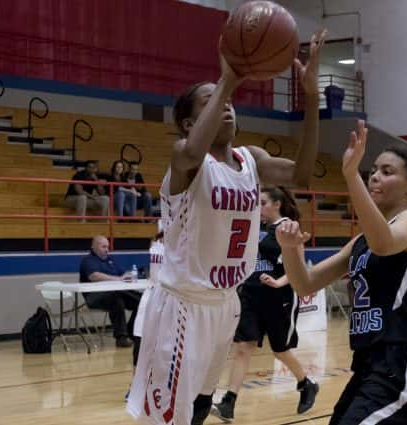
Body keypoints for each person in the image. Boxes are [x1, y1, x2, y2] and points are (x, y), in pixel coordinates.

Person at [126, 29, 326, 425]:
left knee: (202, 405)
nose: (228, 105)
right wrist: (229, 77)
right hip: (183, 304)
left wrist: (311, 98)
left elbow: (303, 174)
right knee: (167, 418)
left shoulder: (250, 158)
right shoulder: (186, 158)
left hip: (226, 302)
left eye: (230, 99)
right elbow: (193, 150)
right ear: (189, 122)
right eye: (213, 101)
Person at [277, 120, 407, 424]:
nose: (375, 176)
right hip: (366, 364)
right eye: (373, 170)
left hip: (401, 361)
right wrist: (288, 248)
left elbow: (385, 243)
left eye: (387, 172)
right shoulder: (359, 242)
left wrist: (351, 176)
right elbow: (305, 283)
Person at [211, 187, 318, 422]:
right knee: (242, 347)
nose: (258, 206)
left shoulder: (289, 227)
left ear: (276, 204)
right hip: (250, 293)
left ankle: (306, 384)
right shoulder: (255, 228)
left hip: (279, 296)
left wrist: (279, 282)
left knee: (280, 350)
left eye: (262, 202)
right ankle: (228, 402)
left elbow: (298, 266)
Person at [79, 235, 142, 348]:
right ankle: (121, 337)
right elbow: (94, 276)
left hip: (116, 293)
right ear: (94, 247)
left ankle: (131, 332)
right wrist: (118, 279)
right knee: (116, 298)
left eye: (107, 247)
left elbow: (123, 274)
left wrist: (128, 276)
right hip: (94, 297)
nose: (107, 249)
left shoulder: (110, 260)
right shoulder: (88, 260)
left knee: (141, 300)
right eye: (103, 247)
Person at [127, 223, 165, 400]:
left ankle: (160, 386)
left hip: (170, 298)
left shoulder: (183, 246)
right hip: (153, 295)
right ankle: (136, 385)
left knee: (165, 347)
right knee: (141, 343)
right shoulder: (157, 245)